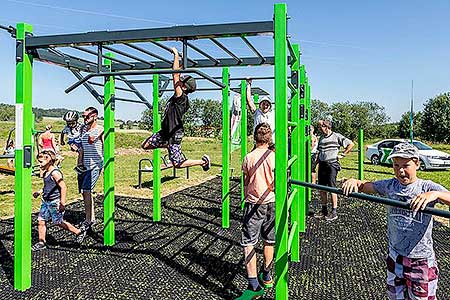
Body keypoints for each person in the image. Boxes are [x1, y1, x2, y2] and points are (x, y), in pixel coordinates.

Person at [342, 142, 450, 300]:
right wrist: (354, 182)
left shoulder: (427, 187)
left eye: (406, 165)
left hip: (421, 260)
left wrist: (435, 194)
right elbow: (366, 186)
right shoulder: (390, 185)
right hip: (395, 257)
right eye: (396, 165)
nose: (400, 171)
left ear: (417, 164)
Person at [141, 47, 210, 171]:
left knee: (177, 164)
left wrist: (176, 55)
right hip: (165, 132)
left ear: (184, 88)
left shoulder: (181, 98)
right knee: (145, 145)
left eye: (181, 82)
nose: (178, 82)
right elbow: (178, 73)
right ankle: (166, 144)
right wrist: (182, 61)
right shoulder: (179, 97)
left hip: (174, 133)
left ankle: (203, 161)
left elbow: (175, 75)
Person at [235, 122, 275, 300]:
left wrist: (246, 195)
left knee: (249, 242)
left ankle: (253, 284)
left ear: (254, 137)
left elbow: (245, 180)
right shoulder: (274, 157)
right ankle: (266, 275)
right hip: (271, 201)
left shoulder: (248, 157)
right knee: (269, 240)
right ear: (269, 138)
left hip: (253, 203)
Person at [31, 149, 86, 251]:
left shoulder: (55, 173)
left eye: (41, 161)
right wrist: (39, 192)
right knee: (41, 221)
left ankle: (79, 232)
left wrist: (62, 203)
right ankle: (41, 242)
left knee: (58, 222)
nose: (39, 164)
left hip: (54, 202)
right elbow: (48, 186)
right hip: (45, 201)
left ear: (50, 161)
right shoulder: (46, 172)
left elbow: (63, 187)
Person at [316, 119, 354, 221]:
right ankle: (324, 210)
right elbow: (320, 152)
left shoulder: (336, 136)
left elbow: (351, 144)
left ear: (327, 127)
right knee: (322, 188)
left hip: (332, 165)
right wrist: (315, 165)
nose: (320, 129)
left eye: (321, 127)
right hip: (322, 164)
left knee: (332, 188)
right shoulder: (321, 138)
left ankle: (334, 212)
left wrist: (343, 154)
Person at [78, 107, 104, 231]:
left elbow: (106, 147)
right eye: (83, 116)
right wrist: (79, 163)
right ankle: (91, 216)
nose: (84, 119)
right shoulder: (83, 130)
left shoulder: (101, 130)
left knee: (86, 190)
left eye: (87, 116)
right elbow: (81, 147)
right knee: (84, 192)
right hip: (85, 165)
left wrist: (105, 167)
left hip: (95, 164)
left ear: (94, 116)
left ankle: (88, 220)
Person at [245, 78, 275, 145]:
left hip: (271, 143)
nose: (265, 106)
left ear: (270, 106)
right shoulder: (257, 112)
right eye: (263, 104)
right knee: (253, 155)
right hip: (259, 143)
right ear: (260, 105)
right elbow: (249, 100)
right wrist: (248, 84)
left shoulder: (273, 113)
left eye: (267, 104)